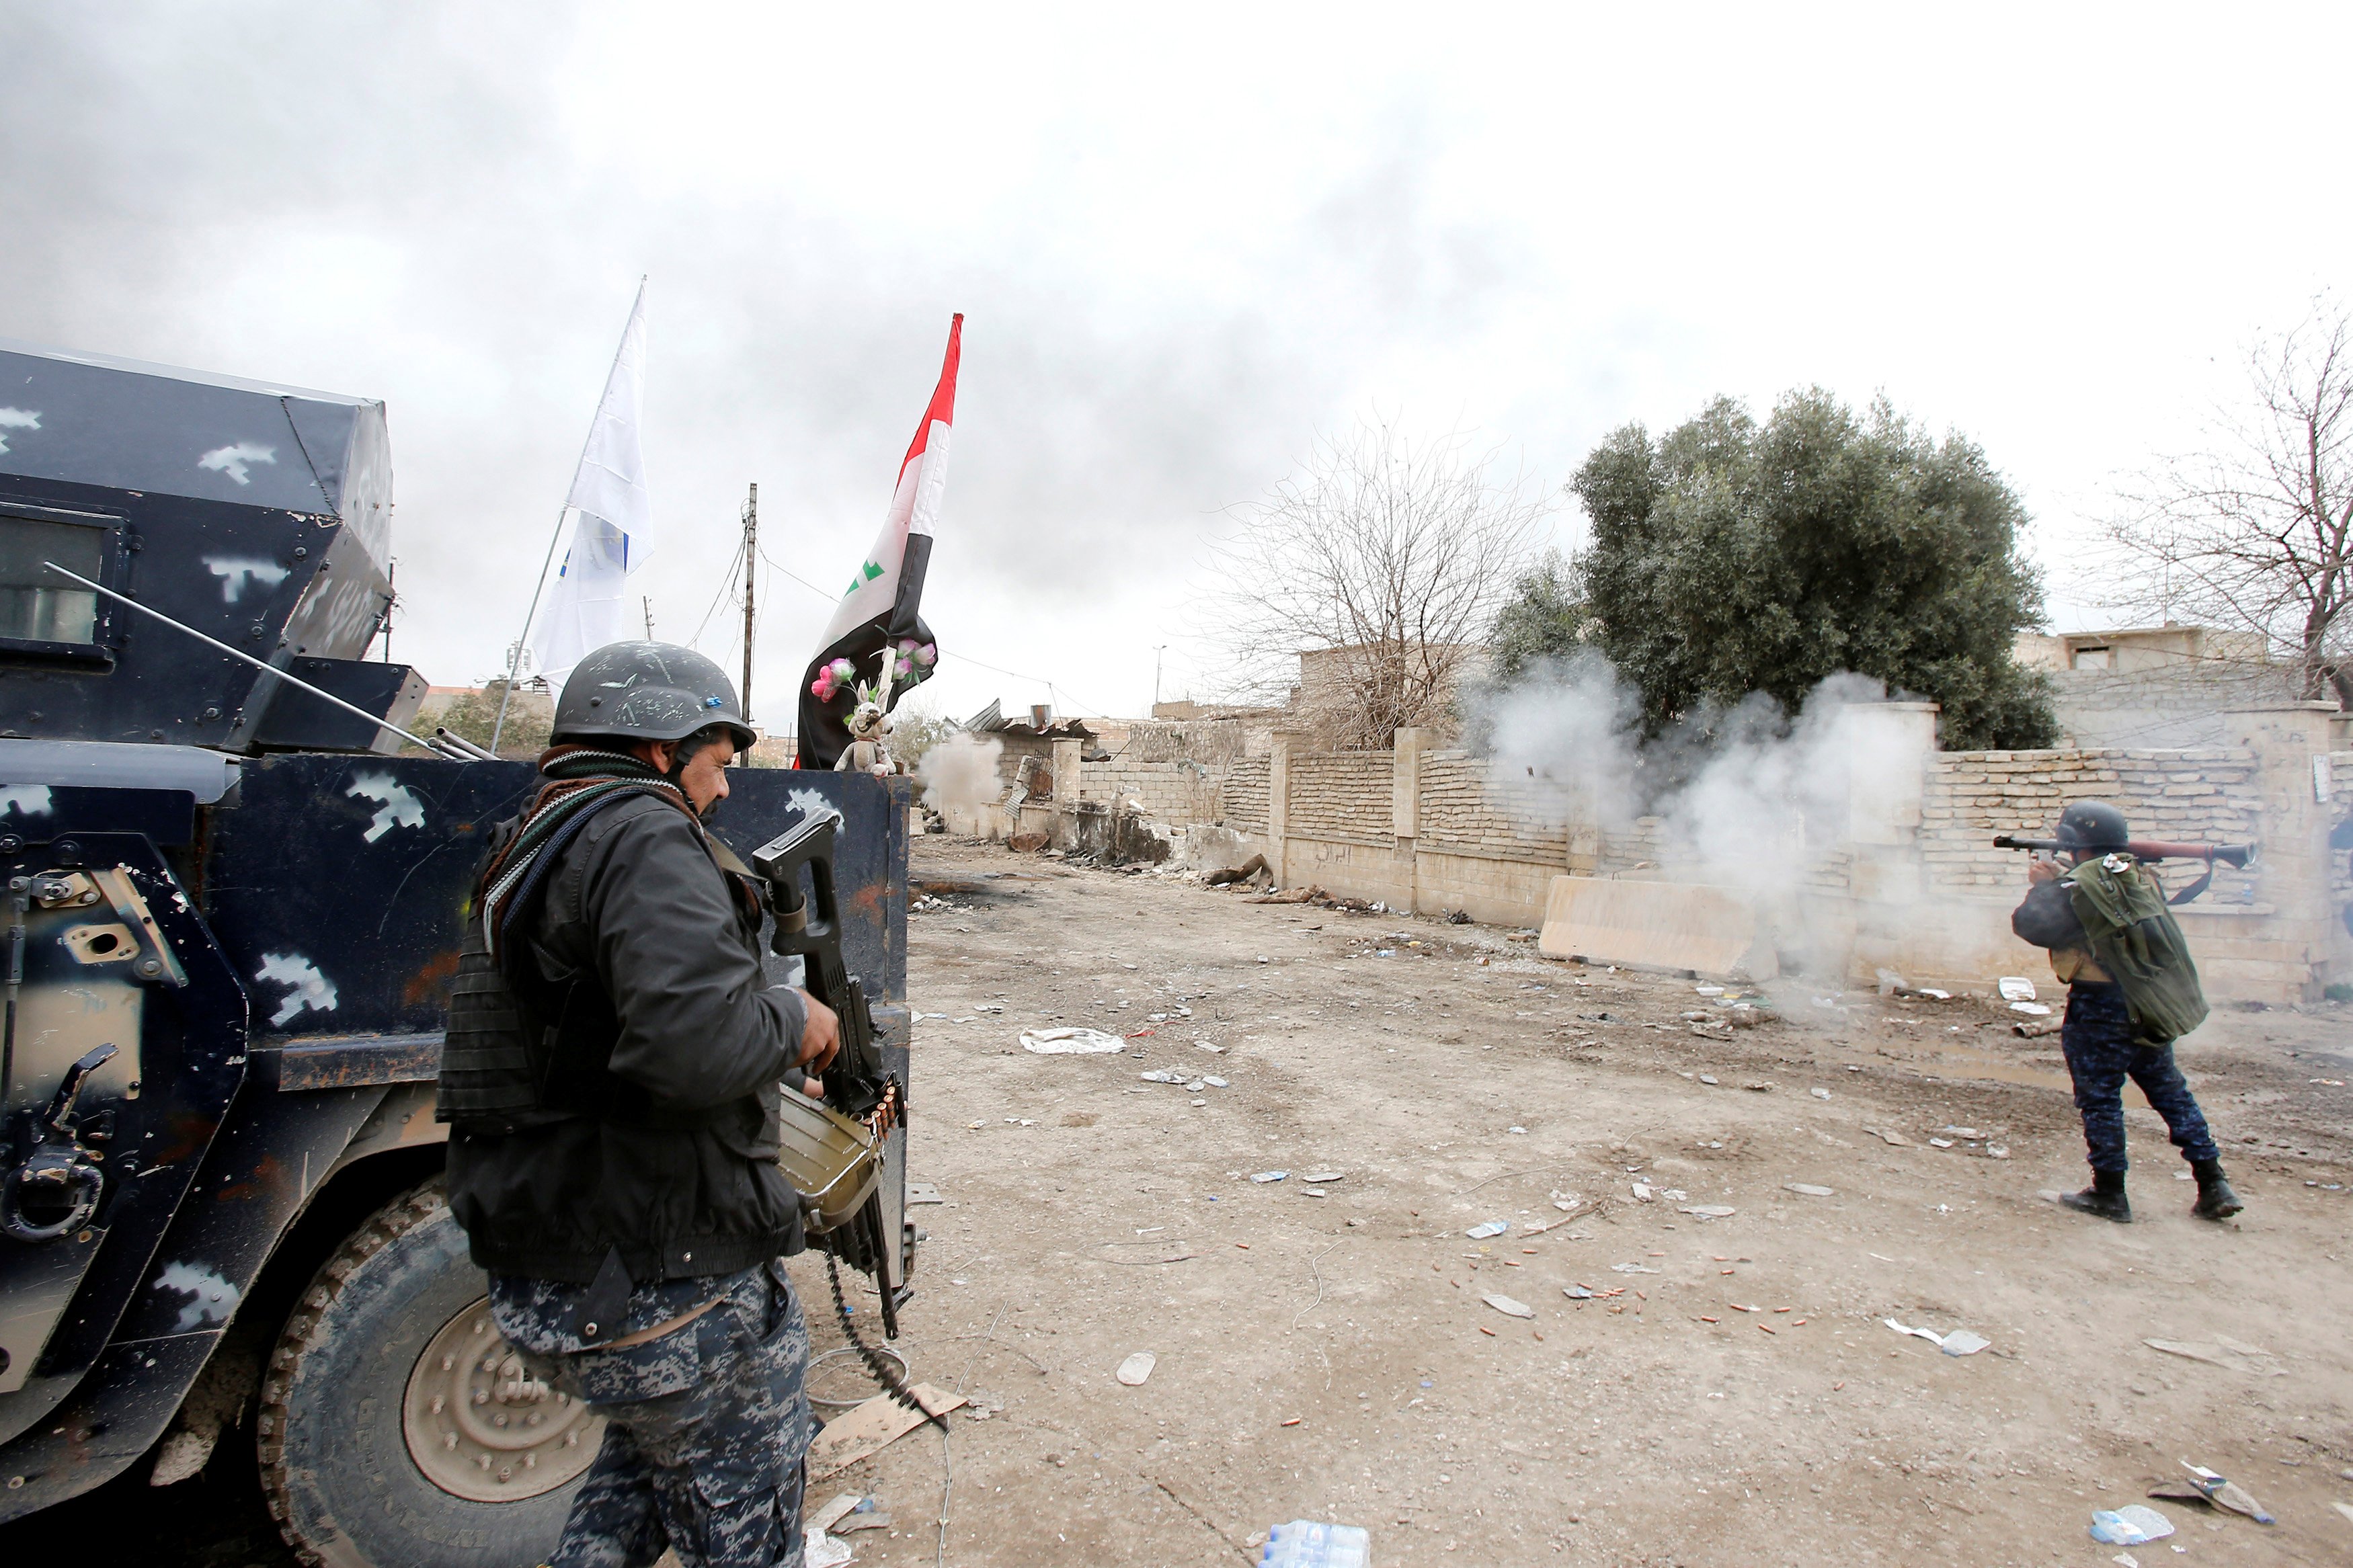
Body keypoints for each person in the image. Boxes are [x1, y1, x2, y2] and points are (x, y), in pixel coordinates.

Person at [437, 641, 840, 1568]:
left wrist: (765, 1052)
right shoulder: (644, 833)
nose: (726, 790)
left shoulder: (541, 835)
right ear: (662, 750)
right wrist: (790, 1016)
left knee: (642, 1475)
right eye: (719, 764)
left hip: (565, 1270)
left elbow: (606, 1037)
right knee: (745, 1520)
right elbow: (689, 1047)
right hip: (663, 1276)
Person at [2009, 799, 2242, 1225]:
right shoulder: (2137, 874)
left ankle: (2109, 1192)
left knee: (2100, 1099)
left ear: (2075, 844)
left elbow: (2032, 926)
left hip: (2098, 1006)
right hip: (2145, 999)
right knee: (2171, 1093)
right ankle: (2213, 1182)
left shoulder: (2075, 887)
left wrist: (2043, 887)